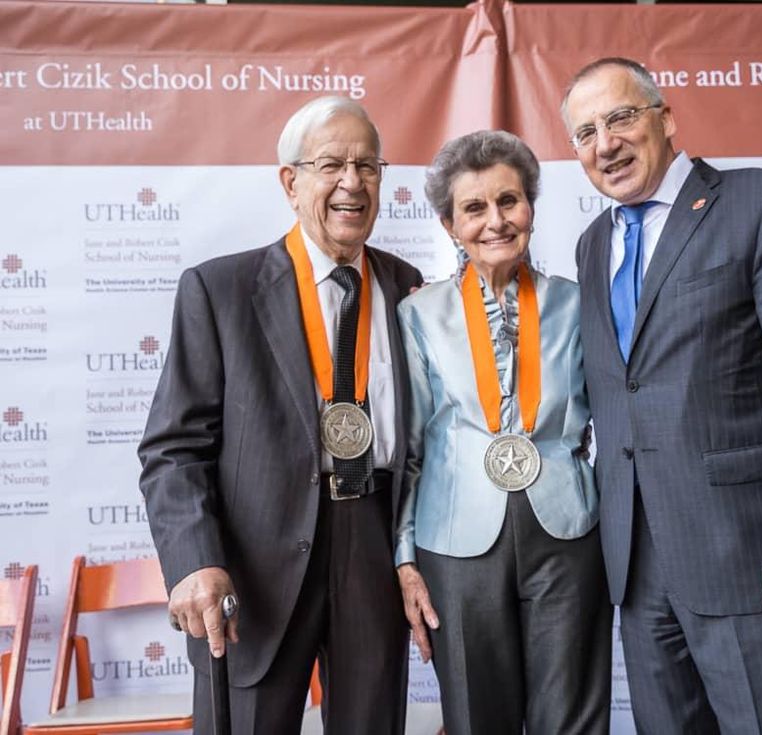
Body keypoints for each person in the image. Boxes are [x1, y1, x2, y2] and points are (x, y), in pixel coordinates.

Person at [562, 57, 762, 734]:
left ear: (667, 119)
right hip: (636, 572)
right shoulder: (590, 243)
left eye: (621, 117)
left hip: (749, 559)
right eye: (584, 132)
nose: (604, 142)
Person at [138, 95, 422, 734]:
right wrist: (193, 561)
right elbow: (173, 449)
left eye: (368, 166)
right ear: (291, 183)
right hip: (252, 566)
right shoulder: (219, 290)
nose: (352, 183)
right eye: (332, 165)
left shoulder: (410, 288)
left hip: (373, 546)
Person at [394, 130, 611, 735]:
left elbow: (614, 419)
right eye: (474, 208)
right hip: (455, 540)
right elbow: (409, 450)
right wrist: (405, 558)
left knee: (572, 718)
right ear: (449, 224)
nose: (496, 221)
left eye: (509, 201)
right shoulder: (417, 315)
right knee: (475, 719)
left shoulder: (580, 303)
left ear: (531, 208)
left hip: (567, 531)